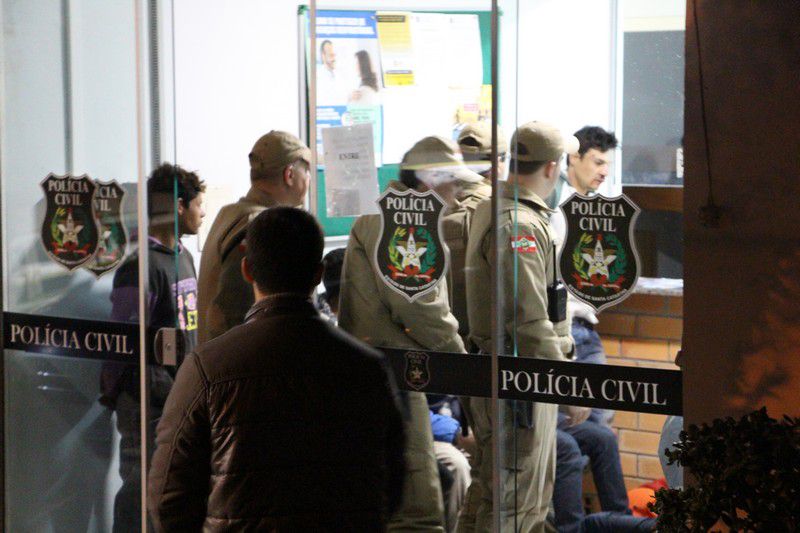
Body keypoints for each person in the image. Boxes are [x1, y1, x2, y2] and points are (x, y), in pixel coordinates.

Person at [148, 207, 406, 531]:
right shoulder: (368, 368)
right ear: (318, 274)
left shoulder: (207, 368)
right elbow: (392, 485)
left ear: (246, 270)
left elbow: (168, 496)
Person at [339, 135, 483, 532]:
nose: (458, 194)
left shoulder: (385, 213)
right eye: (452, 182)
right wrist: (464, 369)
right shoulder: (404, 219)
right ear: (428, 182)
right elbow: (421, 308)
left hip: (381, 373)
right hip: (396, 375)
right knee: (415, 510)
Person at [465, 121, 588, 532]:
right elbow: (530, 323)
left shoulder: (493, 208)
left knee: (490, 498)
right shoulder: (519, 224)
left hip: (504, 376)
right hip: (521, 383)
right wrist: (568, 385)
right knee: (517, 507)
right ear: (552, 167)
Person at [105, 163, 205, 532]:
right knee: (139, 491)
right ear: (178, 205)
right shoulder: (140, 267)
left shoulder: (183, 256)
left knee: (166, 493)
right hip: (147, 403)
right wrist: (114, 391)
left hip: (177, 397)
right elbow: (123, 339)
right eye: (198, 204)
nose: (202, 213)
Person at [197, 130, 311, 343]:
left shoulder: (229, 214)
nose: (309, 178)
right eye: (306, 170)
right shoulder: (260, 224)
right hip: (241, 357)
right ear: (289, 174)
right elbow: (234, 312)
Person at [317, 39, 349, 105]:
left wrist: (350, 97)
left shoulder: (339, 74)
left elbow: (343, 97)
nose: (334, 59)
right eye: (331, 55)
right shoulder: (318, 77)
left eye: (334, 55)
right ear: (323, 56)